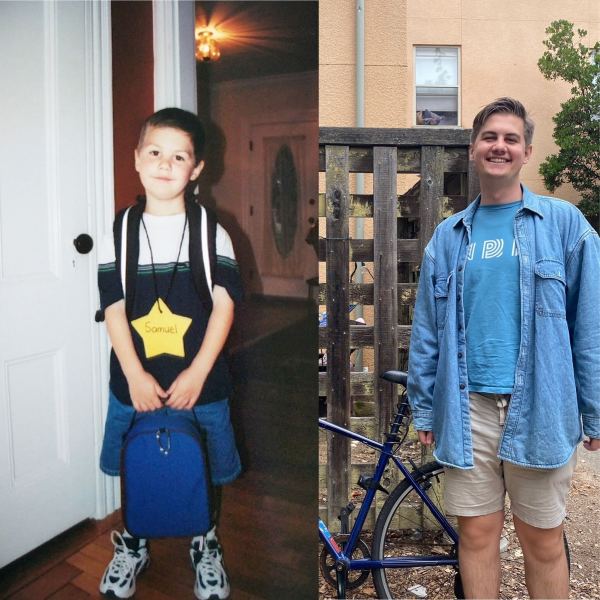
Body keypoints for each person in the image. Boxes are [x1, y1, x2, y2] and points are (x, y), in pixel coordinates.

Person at [407, 97, 600, 599]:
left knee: (543, 540)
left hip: (540, 406)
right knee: (476, 536)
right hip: (466, 408)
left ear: (527, 151)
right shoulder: (447, 239)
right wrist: (424, 406)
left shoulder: (566, 226)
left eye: (511, 138)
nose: (500, 146)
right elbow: (427, 331)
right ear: (473, 149)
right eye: (490, 137)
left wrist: (595, 411)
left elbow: (590, 327)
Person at [97, 107, 242, 600]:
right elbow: (113, 306)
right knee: (134, 460)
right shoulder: (119, 232)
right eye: (155, 152)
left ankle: (205, 540)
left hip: (201, 384)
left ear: (196, 169)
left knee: (205, 464)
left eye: (178, 156)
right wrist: (134, 374)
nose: (165, 164)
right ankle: (134, 540)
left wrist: (199, 372)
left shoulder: (210, 233)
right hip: (134, 381)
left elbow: (223, 307)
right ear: (137, 159)